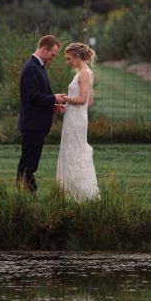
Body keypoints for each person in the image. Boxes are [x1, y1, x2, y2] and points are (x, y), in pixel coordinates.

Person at [17, 35, 66, 194]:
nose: (53, 58)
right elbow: (33, 96)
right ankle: (25, 195)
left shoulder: (39, 67)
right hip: (32, 124)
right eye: (53, 54)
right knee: (28, 164)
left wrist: (53, 104)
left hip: (37, 123)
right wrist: (54, 98)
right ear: (44, 49)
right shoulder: (31, 67)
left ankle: (26, 195)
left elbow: (39, 97)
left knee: (30, 163)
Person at [56, 42, 100, 201]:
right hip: (75, 117)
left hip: (76, 121)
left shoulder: (84, 74)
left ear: (76, 56)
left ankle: (79, 193)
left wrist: (64, 98)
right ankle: (70, 191)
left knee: (75, 151)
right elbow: (90, 101)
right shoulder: (83, 72)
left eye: (69, 59)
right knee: (71, 150)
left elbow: (82, 100)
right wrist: (65, 107)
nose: (67, 62)